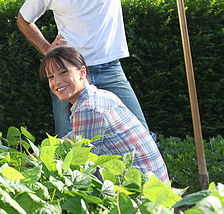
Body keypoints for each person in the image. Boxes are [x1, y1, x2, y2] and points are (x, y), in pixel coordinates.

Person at [17, 0, 187, 138]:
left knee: (141, 134)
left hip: (110, 69)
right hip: (69, 72)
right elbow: (23, 19)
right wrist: (47, 49)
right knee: (67, 143)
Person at [40, 46, 169, 183]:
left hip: (141, 196)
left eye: (63, 72)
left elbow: (82, 167)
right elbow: (73, 139)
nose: (56, 82)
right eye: (51, 77)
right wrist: (39, 154)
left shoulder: (88, 109)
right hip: (158, 187)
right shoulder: (102, 95)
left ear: (82, 72)